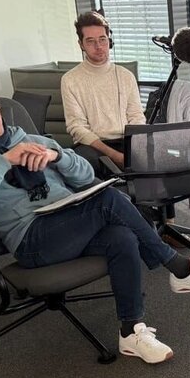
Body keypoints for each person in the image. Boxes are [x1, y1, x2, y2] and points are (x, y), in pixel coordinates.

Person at [0, 78, 190, 364]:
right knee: (109, 201)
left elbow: (84, 175)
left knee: (121, 236)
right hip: (32, 239)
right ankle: (178, 268)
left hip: (68, 221)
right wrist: (4, 161)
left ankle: (131, 330)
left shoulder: (29, 138)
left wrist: (56, 157)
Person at [61, 11, 177, 229]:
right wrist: (113, 154)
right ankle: (119, 225)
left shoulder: (125, 76)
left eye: (103, 40)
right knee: (86, 160)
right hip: (93, 144)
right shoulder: (70, 80)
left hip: (127, 138)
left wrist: (140, 143)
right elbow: (77, 127)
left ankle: (167, 224)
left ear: (109, 40)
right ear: (81, 45)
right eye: (91, 41)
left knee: (157, 152)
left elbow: (136, 116)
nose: (99, 46)